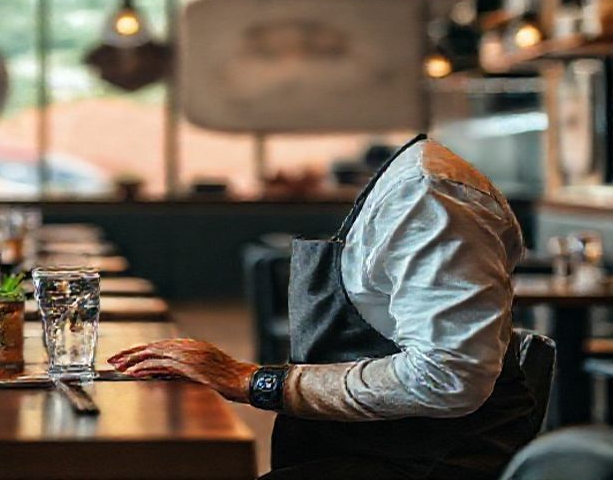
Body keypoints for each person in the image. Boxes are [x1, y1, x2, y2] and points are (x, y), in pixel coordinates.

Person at [109, 135, 537, 480]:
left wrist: (254, 381)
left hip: (425, 460)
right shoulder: (407, 182)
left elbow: (447, 376)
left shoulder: (429, 193)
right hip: (372, 450)